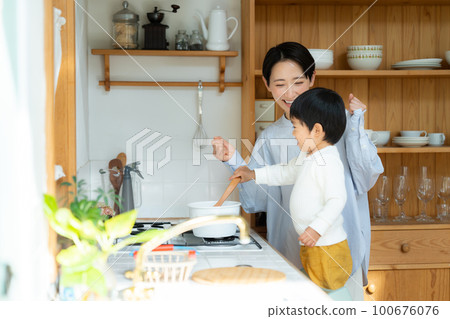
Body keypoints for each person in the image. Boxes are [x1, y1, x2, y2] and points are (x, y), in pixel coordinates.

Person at [211, 42, 383, 299]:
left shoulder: (341, 124)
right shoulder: (269, 137)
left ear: (313, 78)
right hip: (291, 253)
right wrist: (234, 160)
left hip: (338, 252)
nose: (289, 93)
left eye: (298, 82)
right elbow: (257, 199)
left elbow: (365, 178)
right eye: (279, 84)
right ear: (267, 85)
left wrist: (357, 125)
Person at [231, 87, 352, 290]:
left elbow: (337, 200)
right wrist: (253, 174)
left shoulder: (328, 161)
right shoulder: (308, 156)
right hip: (312, 243)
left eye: (296, 126)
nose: (293, 133)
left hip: (327, 245)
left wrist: (316, 229)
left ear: (317, 130)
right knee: (316, 288)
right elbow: (286, 172)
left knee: (328, 290)